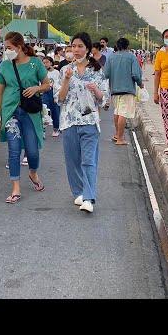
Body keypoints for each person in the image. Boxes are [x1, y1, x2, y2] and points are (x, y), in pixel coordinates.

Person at [0, 32, 51, 204]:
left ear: (19, 47)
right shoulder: (4, 66)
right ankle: (15, 187)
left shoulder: (35, 63)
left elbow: (47, 85)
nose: (7, 51)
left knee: (32, 151)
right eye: (5, 48)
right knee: (13, 149)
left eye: (9, 48)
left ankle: (33, 172)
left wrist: (35, 89)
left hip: (31, 113)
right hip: (10, 112)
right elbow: (0, 93)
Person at [55, 32, 109, 213]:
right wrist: (67, 80)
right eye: (73, 46)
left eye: (80, 46)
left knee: (88, 161)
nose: (76, 50)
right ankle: (78, 192)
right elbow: (59, 99)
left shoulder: (97, 71)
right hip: (69, 121)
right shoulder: (64, 70)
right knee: (72, 161)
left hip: (90, 121)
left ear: (87, 49)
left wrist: (96, 91)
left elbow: (104, 100)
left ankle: (89, 197)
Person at [104, 37, 143, 146]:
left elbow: (106, 74)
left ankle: (117, 134)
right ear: (128, 46)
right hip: (127, 89)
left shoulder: (111, 57)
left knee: (117, 112)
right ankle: (120, 139)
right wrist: (140, 84)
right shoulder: (131, 57)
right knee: (123, 113)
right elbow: (135, 74)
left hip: (114, 89)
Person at [42, 56, 61, 137]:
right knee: (44, 111)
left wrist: (56, 96)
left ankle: (56, 129)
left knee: (55, 111)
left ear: (51, 63)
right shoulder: (42, 72)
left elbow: (59, 84)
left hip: (54, 92)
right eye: (43, 63)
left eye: (46, 62)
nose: (45, 64)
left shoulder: (56, 72)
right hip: (44, 93)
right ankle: (43, 130)